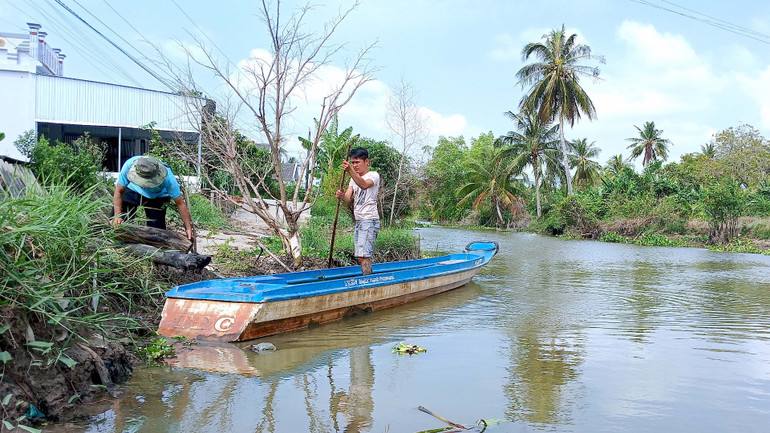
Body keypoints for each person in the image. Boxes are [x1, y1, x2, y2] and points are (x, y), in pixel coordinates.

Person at [110, 155, 193, 240]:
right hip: (133, 189)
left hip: (157, 196)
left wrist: (188, 228)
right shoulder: (129, 165)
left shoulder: (168, 178)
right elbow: (119, 191)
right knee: (118, 223)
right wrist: (117, 216)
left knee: (157, 232)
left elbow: (180, 203)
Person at [336, 147, 380, 275]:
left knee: (364, 255)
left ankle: (368, 282)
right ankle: (367, 278)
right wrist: (341, 195)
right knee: (360, 255)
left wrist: (349, 170)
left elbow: (364, 185)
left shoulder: (373, 175)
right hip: (359, 221)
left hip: (369, 219)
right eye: (353, 163)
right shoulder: (353, 179)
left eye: (357, 162)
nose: (355, 165)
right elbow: (348, 198)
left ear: (367, 162)